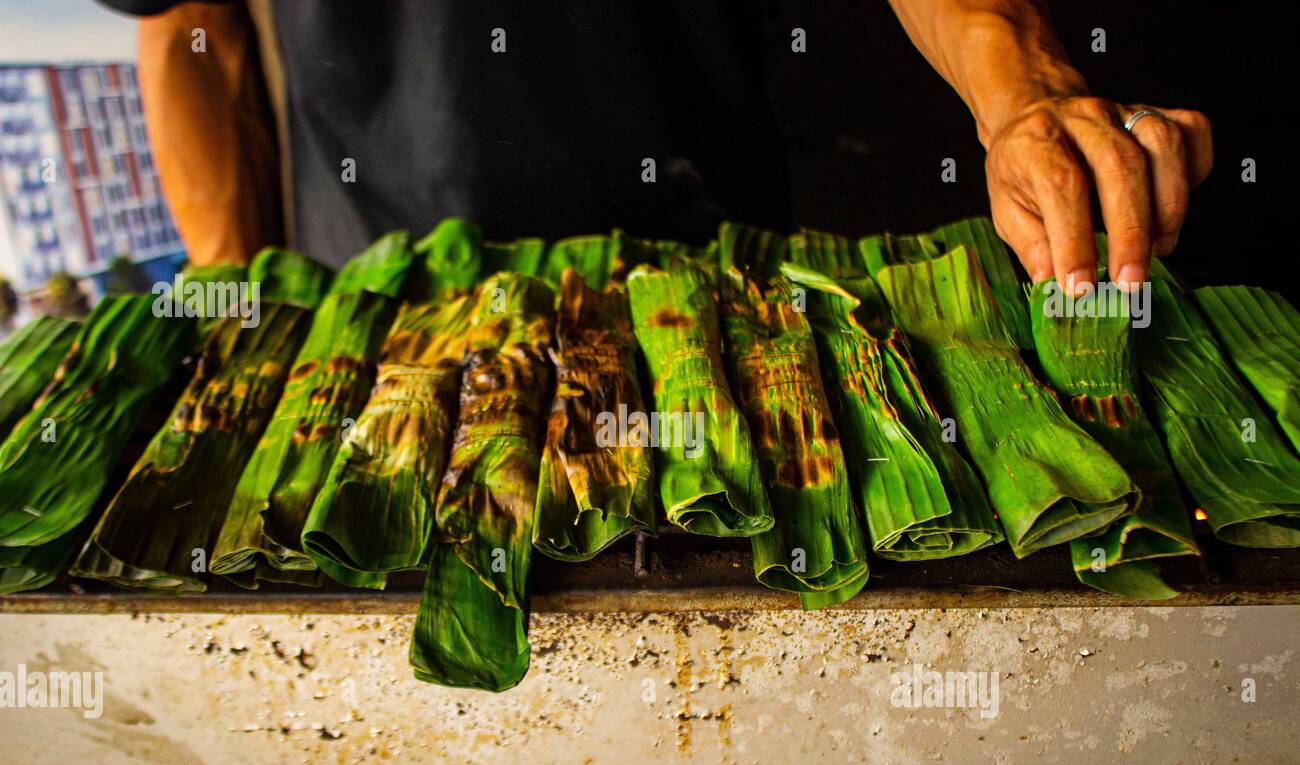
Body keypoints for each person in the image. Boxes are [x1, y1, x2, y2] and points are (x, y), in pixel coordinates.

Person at [104, 0, 1211, 295]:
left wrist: (1023, 91)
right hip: (386, 278)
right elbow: (184, 24)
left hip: (708, 268)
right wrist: (232, 291)